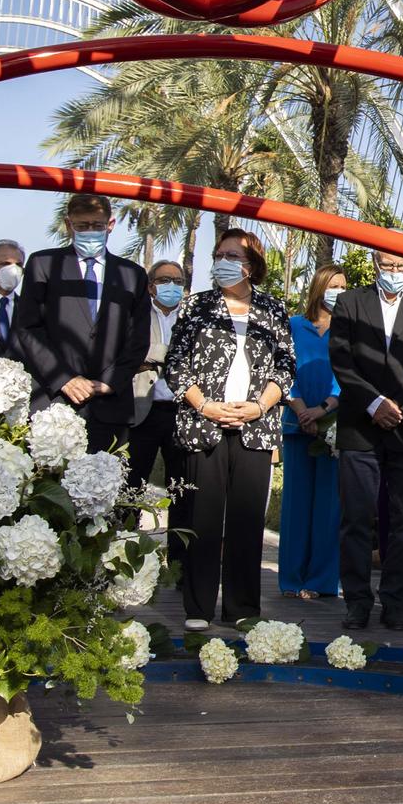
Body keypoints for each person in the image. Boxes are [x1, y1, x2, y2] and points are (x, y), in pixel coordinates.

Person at [161, 229, 295, 632]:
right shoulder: (196, 306)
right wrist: (205, 405)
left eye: (231, 255)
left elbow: (286, 366)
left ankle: (241, 608)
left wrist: (258, 406)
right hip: (204, 424)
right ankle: (198, 607)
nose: (222, 261)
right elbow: (175, 365)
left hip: (256, 427)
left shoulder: (273, 309)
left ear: (250, 264)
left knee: (247, 520)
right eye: (218, 254)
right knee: (201, 519)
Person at [329, 249, 403, 633]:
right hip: (360, 426)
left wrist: (402, 404)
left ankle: (395, 603)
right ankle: (357, 603)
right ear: (374, 263)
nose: (395, 271)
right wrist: (374, 403)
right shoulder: (351, 302)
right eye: (388, 265)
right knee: (356, 519)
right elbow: (341, 359)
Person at [14, 194, 149, 452]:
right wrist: (64, 378)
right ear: (68, 224)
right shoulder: (43, 264)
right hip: (55, 400)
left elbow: (139, 337)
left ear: (110, 224)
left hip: (110, 405)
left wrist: (111, 380)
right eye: (82, 226)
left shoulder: (133, 275)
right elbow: (29, 327)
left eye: (97, 226)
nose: (90, 232)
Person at [280, 265, 344, 600]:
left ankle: (320, 580)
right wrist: (300, 406)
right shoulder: (292, 326)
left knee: (329, 506)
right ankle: (291, 578)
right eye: (333, 285)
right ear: (319, 287)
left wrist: (325, 409)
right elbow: (281, 367)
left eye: (343, 286)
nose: (338, 291)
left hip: (334, 427)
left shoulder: (349, 330)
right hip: (296, 422)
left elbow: (349, 374)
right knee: (296, 504)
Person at [127, 260, 189, 494]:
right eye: (164, 280)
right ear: (151, 286)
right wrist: (170, 354)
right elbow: (131, 352)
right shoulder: (136, 313)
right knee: (132, 482)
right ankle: (126, 530)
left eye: (177, 281)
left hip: (181, 411)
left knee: (182, 486)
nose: (171, 285)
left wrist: (150, 357)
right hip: (143, 409)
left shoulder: (191, 317)